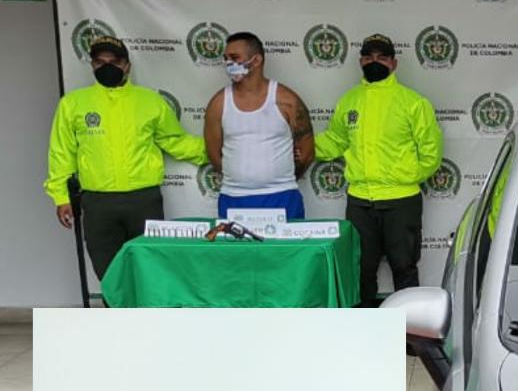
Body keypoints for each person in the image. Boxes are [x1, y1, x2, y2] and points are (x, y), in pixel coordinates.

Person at [44, 36, 207, 281]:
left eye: (115, 62)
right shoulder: (73, 104)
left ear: (127, 66)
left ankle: (145, 308)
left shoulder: (150, 101)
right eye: (100, 62)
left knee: (148, 270)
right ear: (92, 65)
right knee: (108, 273)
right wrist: (61, 196)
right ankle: (113, 308)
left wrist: (219, 151)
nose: (107, 67)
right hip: (98, 202)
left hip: (143, 200)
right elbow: (61, 152)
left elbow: (175, 141)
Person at [314, 33, 443, 307]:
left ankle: (409, 329)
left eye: (382, 57)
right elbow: (335, 141)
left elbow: (431, 151)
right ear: (360, 61)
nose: (375, 62)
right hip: (360, 201)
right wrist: (299, 146)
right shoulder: (349, 101)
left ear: (394, 63)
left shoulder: (413, 102)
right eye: (369, 57)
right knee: (360, 269)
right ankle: (365, 328)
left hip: (401, 200)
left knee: (404, 267)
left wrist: (404, 177)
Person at [203, 31, 314, 220]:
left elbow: (307, 152)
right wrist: (241, 178)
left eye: (235, 58)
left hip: (282, 196)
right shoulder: (218, 103)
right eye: (226, 58)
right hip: (234, 197)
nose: (228, 63)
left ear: (256, 60)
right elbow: (214, 154)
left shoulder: (287, 100)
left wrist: (278, 179)